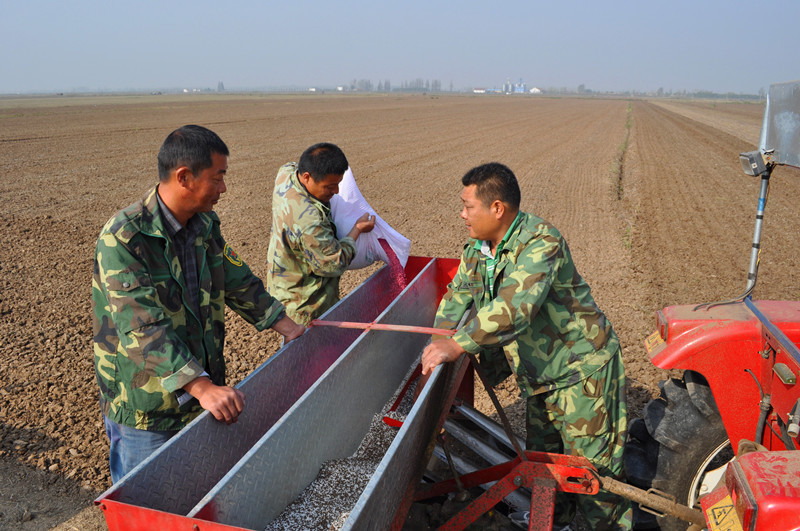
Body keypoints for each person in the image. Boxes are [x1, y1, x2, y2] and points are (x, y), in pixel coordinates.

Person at [420, 162, 632, 530]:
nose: (462, 214)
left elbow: (515, 307)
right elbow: (457, 296)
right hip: (539, 377)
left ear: (497, 208)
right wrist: (439, 340)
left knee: (594, 479)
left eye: (468, 206)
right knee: (547, 468)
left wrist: (459, 344)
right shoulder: (478, 249)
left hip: (581, 375)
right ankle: (557, 524)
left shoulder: (541, 242)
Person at [92, 125, 305, 483]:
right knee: (148, 499)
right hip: (148, 405)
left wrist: (287, 326)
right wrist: (200, 386)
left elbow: (236, 279)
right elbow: (142, 327)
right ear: (184, 177)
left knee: (197, 490)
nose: (224, 188)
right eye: (218, 177)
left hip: (200, 389)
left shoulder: (204, 224)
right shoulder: (125, 237)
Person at [266, 142, 375, 326]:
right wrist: (357, 229)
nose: (336, 191)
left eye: (338, 184)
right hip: (305, 305)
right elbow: (334, 264)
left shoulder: (285, 174)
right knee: (305, 344)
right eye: (330, 186)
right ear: (307, 177)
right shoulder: (310, 221)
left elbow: (292, 165)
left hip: (282, 287)